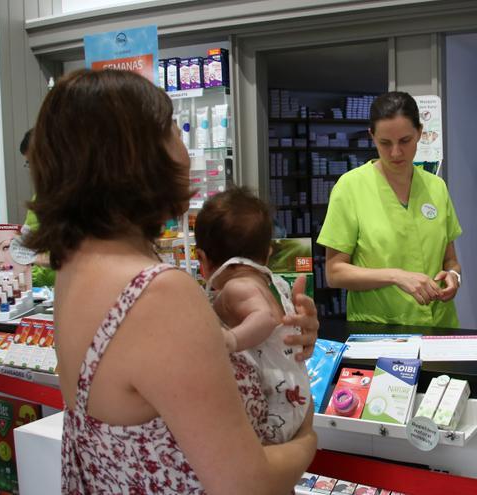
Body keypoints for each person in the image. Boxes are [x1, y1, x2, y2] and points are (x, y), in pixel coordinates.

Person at [25, 69, 318, 494]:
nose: (184, 152)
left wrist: (278, 347)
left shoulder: (75, 266)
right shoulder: (155, 292)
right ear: (135, 156)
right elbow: (246, 483)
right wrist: (308, 440)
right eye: (171, 131)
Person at [317, 91, 462, 327]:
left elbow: (451, 260)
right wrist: (395, 276)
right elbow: (334, 273)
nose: (396, 152)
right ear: (372, 137)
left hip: (440, 327)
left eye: (405, 141)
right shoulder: (350, 187)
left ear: (420, 133)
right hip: (379, 329)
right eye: (385, 143)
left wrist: (454, 277)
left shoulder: (436, 188)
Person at [195, 187, 311, 445]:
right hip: (294, 395)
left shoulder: (239, 286)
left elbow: (265, 318)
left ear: (202, 258)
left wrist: (229, 340)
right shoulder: (277, 283)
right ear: (268, 253)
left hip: (273, 406)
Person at [18, 129, 56, 287]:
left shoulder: (80, 198)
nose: (33, 170)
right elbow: (27, 240)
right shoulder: (38, 199)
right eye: (29, 163)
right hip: (45, 290)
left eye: (33, 162)